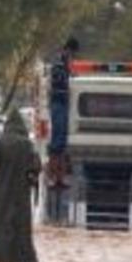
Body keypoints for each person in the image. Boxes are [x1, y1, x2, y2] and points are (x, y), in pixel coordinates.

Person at [0, 110, 40, 262]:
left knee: (0, 228)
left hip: (2, 195)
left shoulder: (0, 144)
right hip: (21, 197)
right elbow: (35, 168)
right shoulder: (27, 145)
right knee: (22, 231)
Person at [48, 37, 79, 187]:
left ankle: (59, 178)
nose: (73, 56)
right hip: (58, 104)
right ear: (68, 49)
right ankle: (53, 177)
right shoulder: (59, 63)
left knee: (62, 143)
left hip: (64, 104)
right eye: (72, 52)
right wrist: (70, 74)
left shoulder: (66, 63)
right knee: (56, 142)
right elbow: (61, 82)